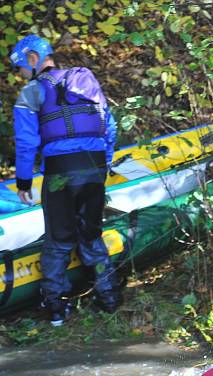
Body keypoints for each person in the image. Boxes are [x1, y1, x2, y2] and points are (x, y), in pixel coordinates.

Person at [10, 35, 118, 325]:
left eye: (19, 67)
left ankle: (57, 308)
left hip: (60, 173)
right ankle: (108, 298)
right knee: (92, 233)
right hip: (94, 168)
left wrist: (22, 182)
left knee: (58, 240)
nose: (19, 75)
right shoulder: (86, 81)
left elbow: (25, 142)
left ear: (32, 59)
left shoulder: (31, 92)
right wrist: (105, 161)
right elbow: (109, 124)